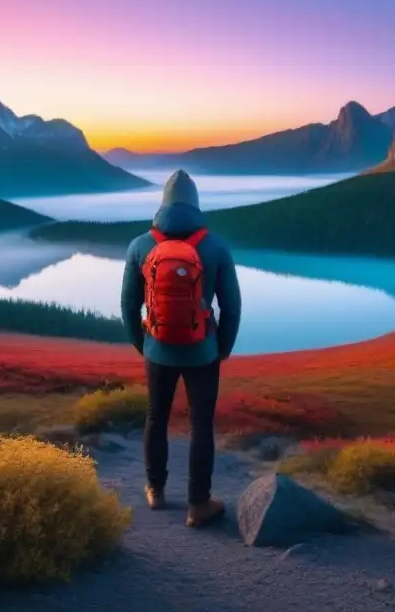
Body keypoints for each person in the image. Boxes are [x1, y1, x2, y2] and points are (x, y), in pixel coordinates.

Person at [120, 169, 242, 528]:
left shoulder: (141, 245)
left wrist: (143, 345)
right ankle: (198, 504)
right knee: (200, 425)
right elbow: (231, 307)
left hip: (157, 349)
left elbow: (129, 306)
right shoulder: (216, 246)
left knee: (156, 417)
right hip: (203, 351)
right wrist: (223, 348)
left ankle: (155, 491)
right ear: (196, 204)